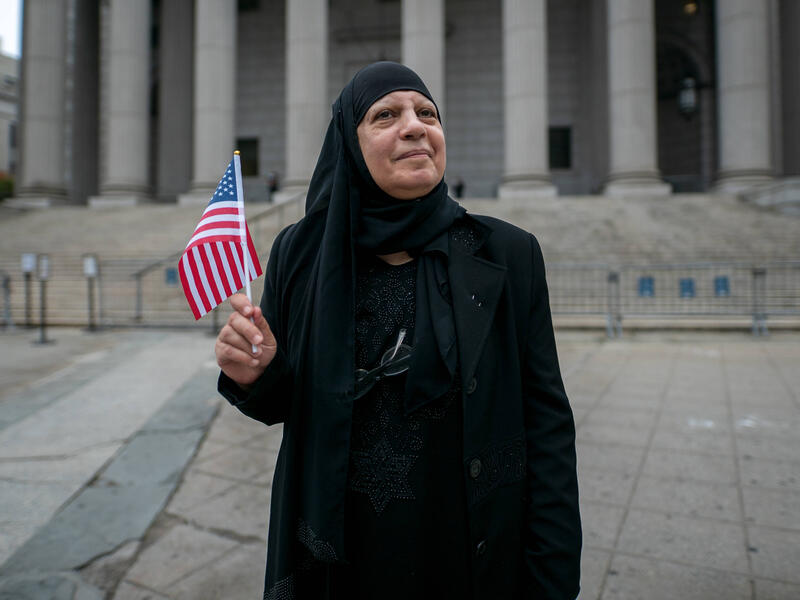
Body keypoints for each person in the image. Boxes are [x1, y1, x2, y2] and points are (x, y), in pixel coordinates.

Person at [216, 61, 581, 600]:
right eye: (385, 114)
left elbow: (547, 421)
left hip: (469, 549)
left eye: (427, 113)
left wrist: (552, 576)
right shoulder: (302, 252)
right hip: (340, 555)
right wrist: (259, 373)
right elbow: (289, 405)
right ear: (349, 143)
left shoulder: (507, 253)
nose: (415, 126)